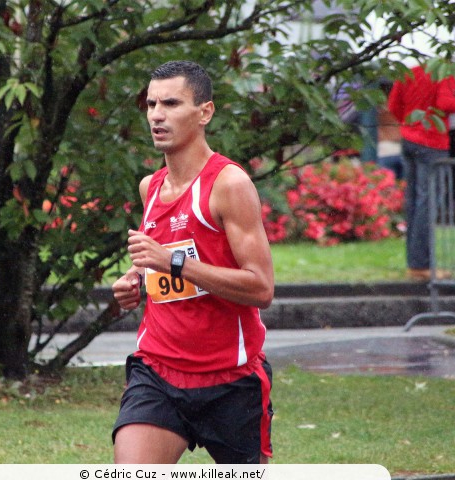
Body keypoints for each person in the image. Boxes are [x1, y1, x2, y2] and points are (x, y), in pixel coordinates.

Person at [111, 60, 275, 464]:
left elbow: (261, 288)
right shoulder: (150, 186)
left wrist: (173, 263)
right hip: (158, 373)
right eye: (150, 105)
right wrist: (135, 278)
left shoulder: (228, 184)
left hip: (231, 380)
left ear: (205, 112)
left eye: (170, 103)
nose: (156, 115)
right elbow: (164, 262)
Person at [388, 63, 455, 280]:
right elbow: (446, 102)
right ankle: (421, 265)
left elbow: (394, 105)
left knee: (413, 201)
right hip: (432, 142)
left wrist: (410, 124)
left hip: (408, 140)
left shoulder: (408, 72)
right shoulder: (445, 71)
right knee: (429, 201)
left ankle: (415, 263)